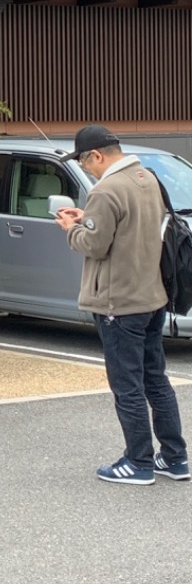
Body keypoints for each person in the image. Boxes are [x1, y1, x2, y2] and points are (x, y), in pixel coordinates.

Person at [55, 123, 188, 485]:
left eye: (85, 163)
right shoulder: (149, 179)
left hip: (118, 301)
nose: (86, 169)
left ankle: (138, 462)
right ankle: (175, 458)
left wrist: (72, 229)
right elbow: (132, 226)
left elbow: (95, 246)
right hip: (152, 295)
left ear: (96, 155)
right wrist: (90, 220)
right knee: (155, 379)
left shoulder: (106, 190)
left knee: (127, 384)